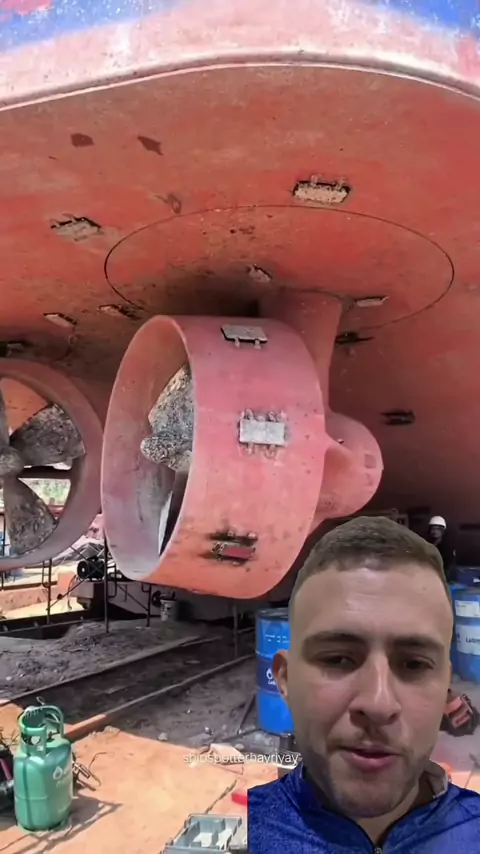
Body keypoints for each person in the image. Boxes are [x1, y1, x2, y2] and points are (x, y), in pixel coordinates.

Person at [248, 516, 480, 852]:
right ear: (285, 679)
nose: (378, 704)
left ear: (446, 683)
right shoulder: (244, 831)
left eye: (414, 664)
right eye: (338, 659)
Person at [426, 516, 456, 582]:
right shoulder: (427, 543)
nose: (435, 531)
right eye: (433, 529)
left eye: (438, 529)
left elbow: (448, 565)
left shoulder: (448, 546)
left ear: (442, 531)